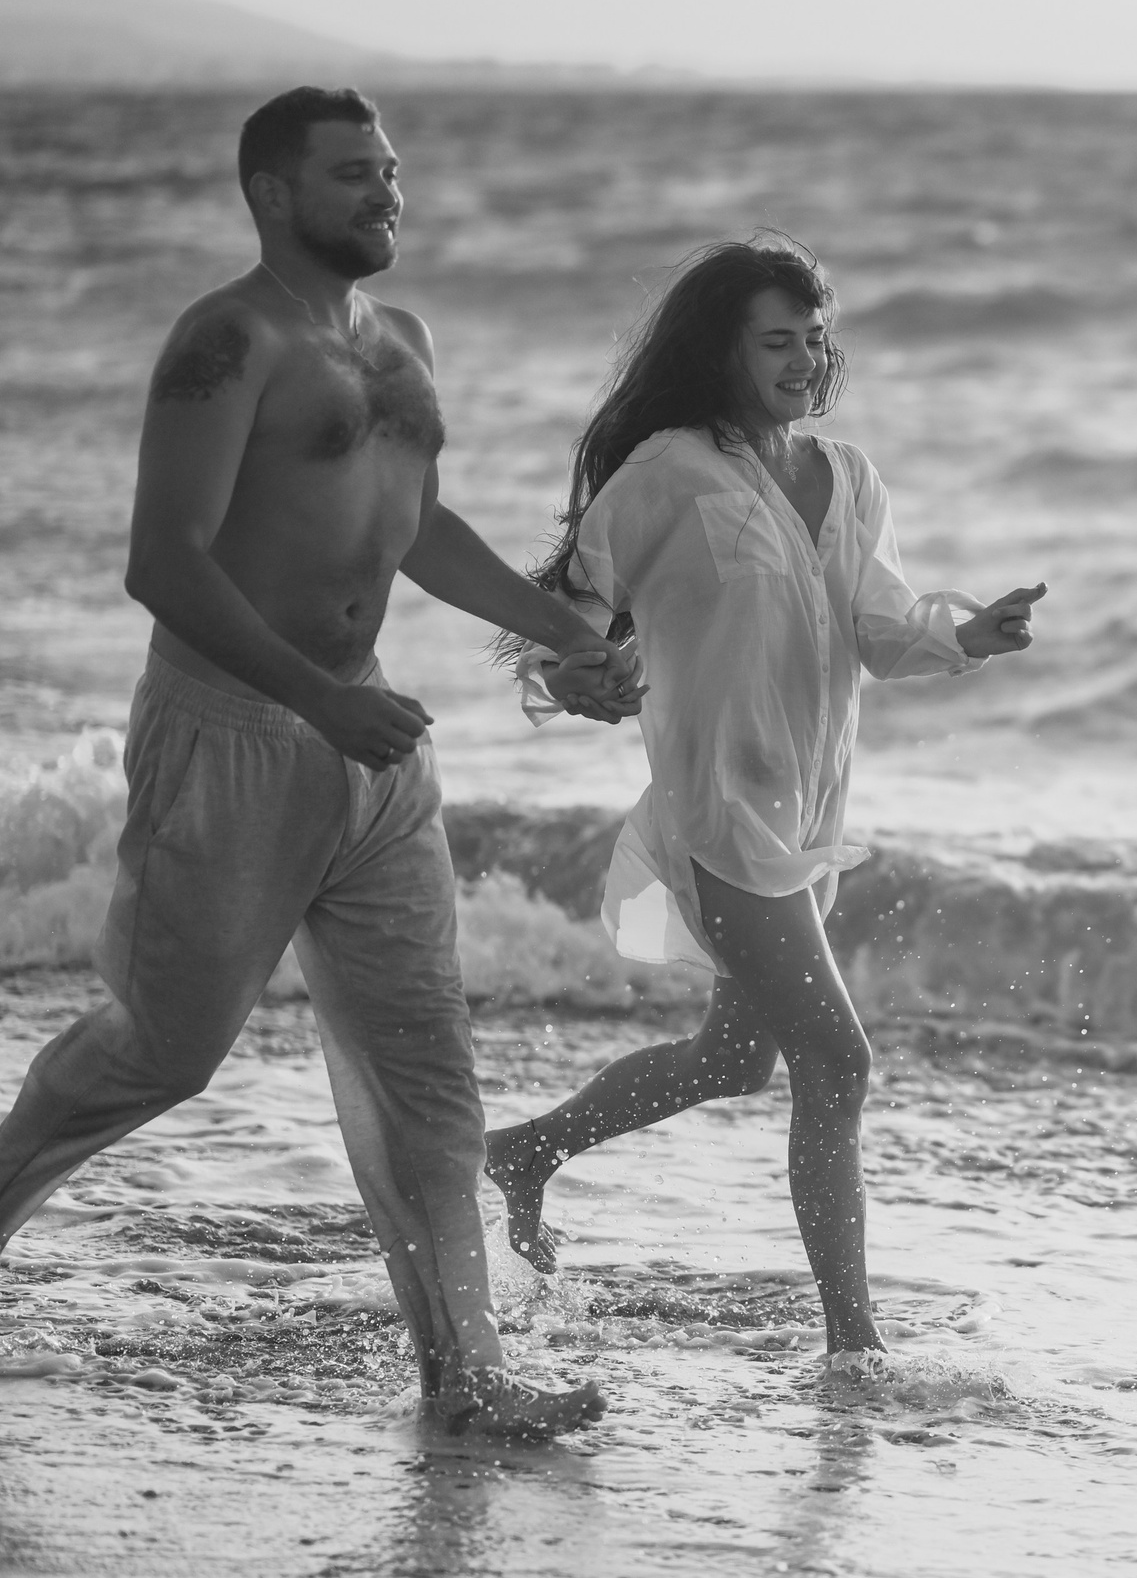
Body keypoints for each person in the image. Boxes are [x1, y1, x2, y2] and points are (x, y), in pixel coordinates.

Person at [0, 87, 636, 1439]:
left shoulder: (398, 339)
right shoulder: (227, 338)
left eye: (392, 169)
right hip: (232, 729)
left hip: (371, 740)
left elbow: (412, 525)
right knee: (164, 1050)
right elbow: (160, 558)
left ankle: (466, 1373)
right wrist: (313, 704)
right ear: (273, 195)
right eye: (353, 174)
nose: (386, 193)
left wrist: (562, 628)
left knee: (426, 1069)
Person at [483, 237, 1042, 1366]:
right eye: (774, 339)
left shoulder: (848, 476)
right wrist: (577, 674)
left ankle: (524, 1150)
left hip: (806, 811)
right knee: (839, 1062)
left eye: (813, 337)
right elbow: (567, 612)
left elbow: (878, 628)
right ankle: (855, 1341)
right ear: (721, 350)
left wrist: (968, 634)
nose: (801, 357)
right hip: (717, 808)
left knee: (735, 1060)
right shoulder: (668, 471)